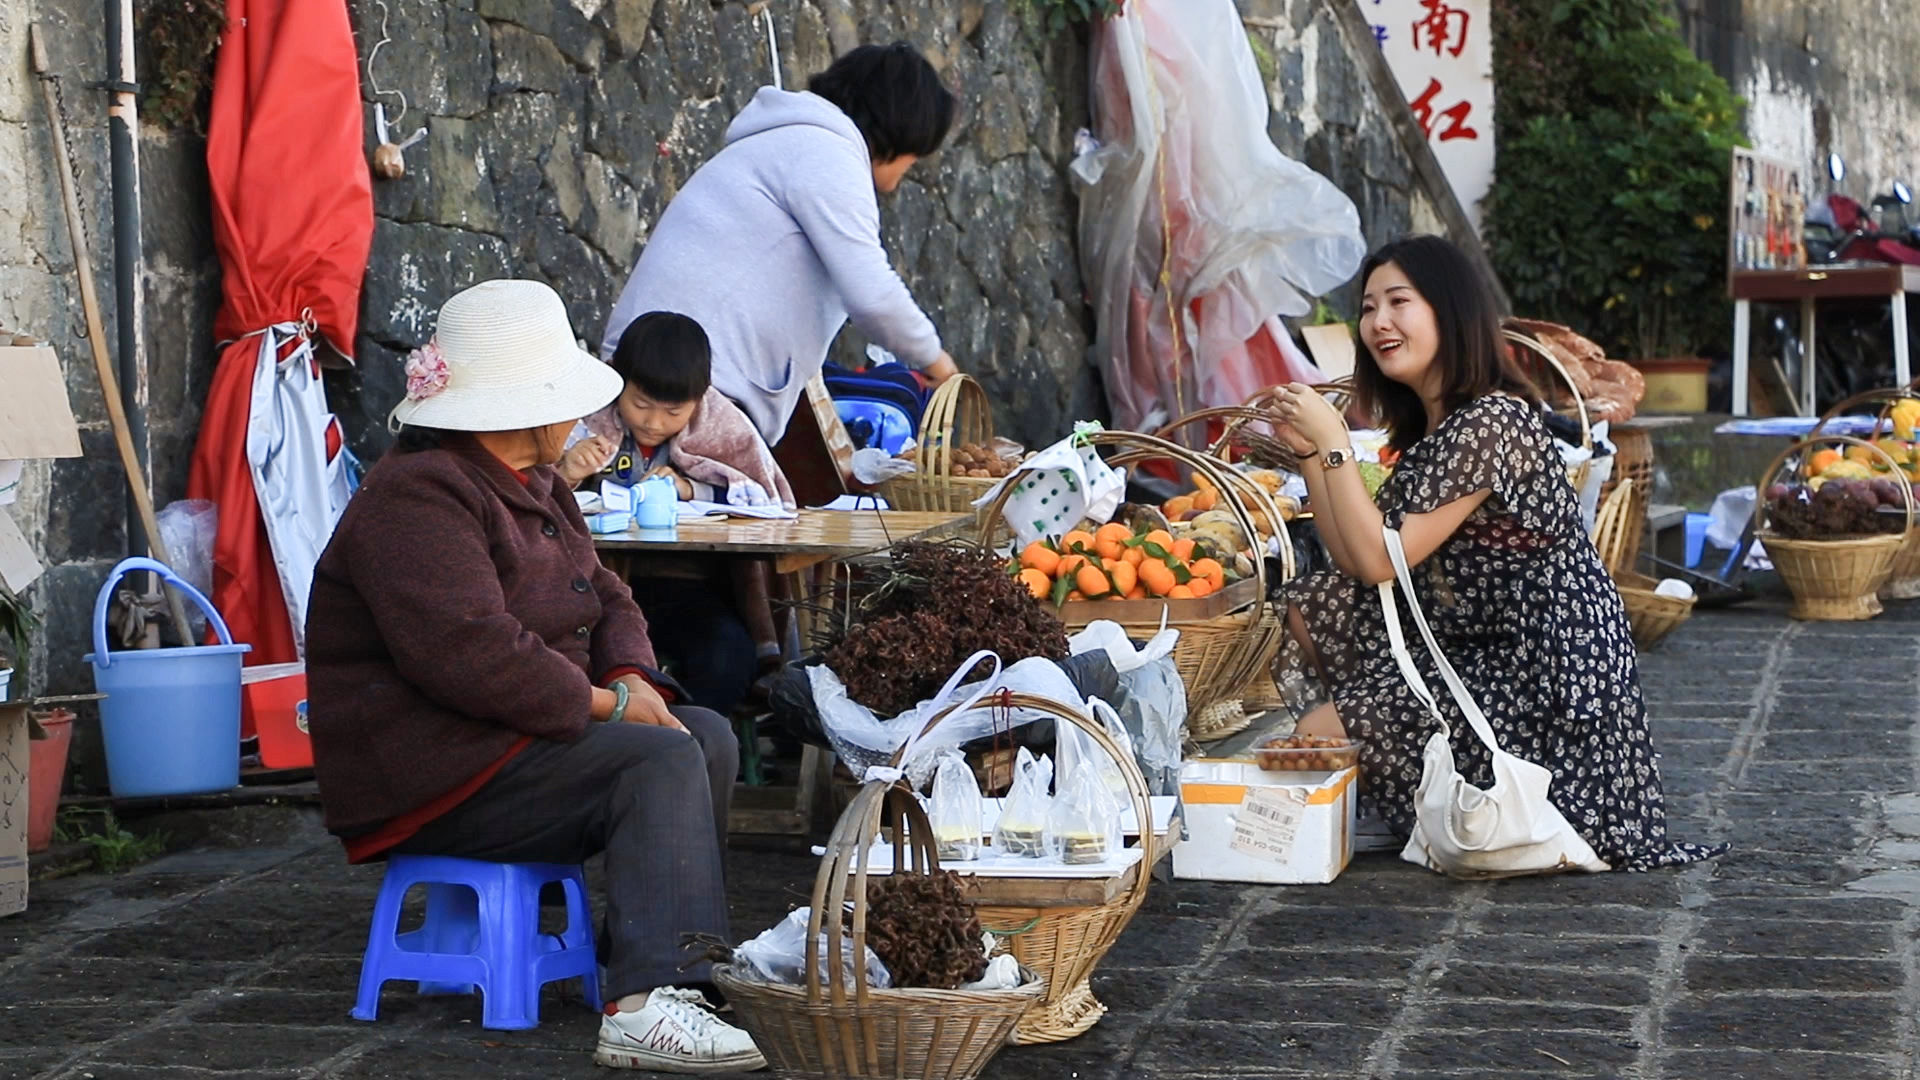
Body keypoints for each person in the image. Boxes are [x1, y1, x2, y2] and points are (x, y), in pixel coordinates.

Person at [305, 280, 764, 1073]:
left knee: (706, 736)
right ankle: (642, 1009)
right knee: (655, 756)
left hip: (510, 741)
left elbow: (608, 592)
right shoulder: (417, 497)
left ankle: (665, 965)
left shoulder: (538, 485)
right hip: (437, 768)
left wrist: (629, 673)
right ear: (525, 409)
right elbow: (469, 653)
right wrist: (604, 703)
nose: (579, 418)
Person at [1270, 236, 1723, 872]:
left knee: (1321, 728)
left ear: (1450, 311)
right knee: (1314, 604)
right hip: (1473, 644)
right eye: (1369, 308)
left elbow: (1381, 559)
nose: (1378, 323)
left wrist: (1337, 441)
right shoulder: (1437, 427)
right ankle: (1397, 781)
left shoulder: (1494, 421)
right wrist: (1313, 454)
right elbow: (1353, 561)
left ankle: (1420, 786)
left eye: (1399, 301)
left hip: (1544, 681)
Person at [602, 41, 961, 447]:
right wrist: (937, 361)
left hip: (657, 375)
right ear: (900, 132)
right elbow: (873, 294)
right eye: (916, 155)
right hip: (685, 387)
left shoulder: (786, 143)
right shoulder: (828, 155)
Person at [561, 311, 788, 719]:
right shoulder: (587, 416)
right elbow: (537, 492)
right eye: (641, 405)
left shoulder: (721, 424)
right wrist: (569, 472)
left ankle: (681, 740)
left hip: (680, 587)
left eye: (673, 412)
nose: (653, 423)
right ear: (617, 384)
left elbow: (764, 496)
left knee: (727, 657)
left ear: (699, 399)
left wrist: (691, 488)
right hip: (592, 584)